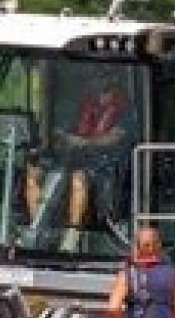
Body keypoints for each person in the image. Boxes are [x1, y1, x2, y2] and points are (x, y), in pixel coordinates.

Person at [26, 74, 134, 240]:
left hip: (104, 165)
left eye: (104, 84)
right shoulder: (82, 107)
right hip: (69, 159)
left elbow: (115, 138)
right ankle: (37, 231)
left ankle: (72, 236)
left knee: (78, 179)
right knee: (34, 175)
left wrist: (83, 142)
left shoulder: (125, 111)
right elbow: (62, 131)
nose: (97, 87)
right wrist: (61, 137)